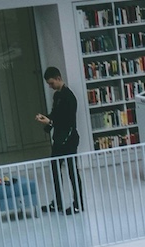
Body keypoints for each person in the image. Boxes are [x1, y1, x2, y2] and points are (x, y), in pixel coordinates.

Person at [35, 66, 83, 214]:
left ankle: (78, 203)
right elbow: (55, 115)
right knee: (55, 169)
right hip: (59, 138)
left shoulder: (70, 97)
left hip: (69, 138)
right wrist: (47, 119)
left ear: (58, 78)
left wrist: (50, 122)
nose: (50, 86)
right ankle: (58, 202)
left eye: (51, 83)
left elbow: (68, 121)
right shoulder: (57, 96)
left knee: (72, 171)